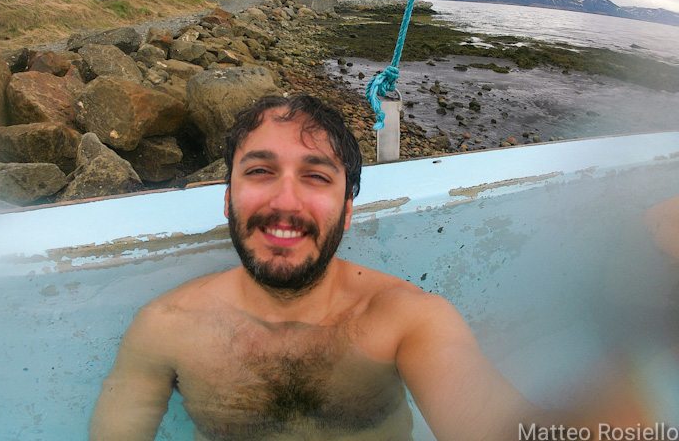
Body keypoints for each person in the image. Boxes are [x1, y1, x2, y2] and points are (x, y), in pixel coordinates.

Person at [90, 94, 538, 440]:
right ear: (228, 200)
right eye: (261, 171)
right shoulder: (164, 328)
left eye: (317, 176)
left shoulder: (406, 320)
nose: (285, 202)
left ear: (346, 212)